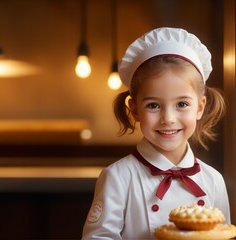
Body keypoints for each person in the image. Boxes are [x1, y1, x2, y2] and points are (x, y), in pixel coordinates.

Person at [82, 27, 231, 239]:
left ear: (200, 107)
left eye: (181, 103)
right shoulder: (118, 177)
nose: (168, 118)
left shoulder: (214, 180)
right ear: (134, 110)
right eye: (153, 105)